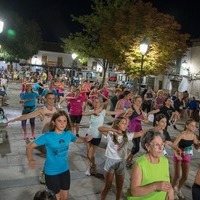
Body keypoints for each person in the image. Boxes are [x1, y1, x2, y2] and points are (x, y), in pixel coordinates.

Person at [27, 110, 92, 200]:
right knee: (56, 197)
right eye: (59, 121)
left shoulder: (68, 134)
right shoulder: (47, 136)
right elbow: (30, 146)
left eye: (64, 121)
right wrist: (30, 159)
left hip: (64, 170)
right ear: (54, 122)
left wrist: (85, 139)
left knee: (64, 197)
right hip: (51, 172)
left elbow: (77, 140)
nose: (62, 124)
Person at [98, 117, 144, 200]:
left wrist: (156, 128)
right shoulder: (111, 133)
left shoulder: (127, 135)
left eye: (126, 124)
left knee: (119, 187)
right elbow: (100, 128)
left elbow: (141, 133)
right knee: (107, 186)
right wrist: (113, 130)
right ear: (117, 124)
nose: (125, 125)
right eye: (123, 123)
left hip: (121, 162)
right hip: (110, 162)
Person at [82, 97, 126, 176]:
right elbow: (83, 113)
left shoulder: (103, 112)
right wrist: (93, 112)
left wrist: (124, 111)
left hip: (97, 136)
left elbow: (114, 112)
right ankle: (92, 166)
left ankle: (91, 167)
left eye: (98, 102)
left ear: (100, 104)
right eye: (94, 102)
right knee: (88, 154)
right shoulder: (91, 112)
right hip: (88, 134)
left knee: (90, 155)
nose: (96, 103)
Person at [126, 130, 174, 200]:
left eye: (162, 144)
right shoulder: (140, 164)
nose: (161, 148)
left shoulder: (165, 161)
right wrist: (155, 186)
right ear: (147, 146)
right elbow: (134, 191)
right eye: (156, 145)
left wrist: (170, 190)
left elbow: (166, 181)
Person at [172, 119, 200, 199]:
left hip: (187, 154)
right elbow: (174, 145)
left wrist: (198, 144)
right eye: (192, 125)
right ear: (187, 126)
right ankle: (172, 190)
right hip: (179, 154)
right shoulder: (182, 134)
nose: (194, 127)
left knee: (185, 176)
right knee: (177, 175)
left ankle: (178, 189)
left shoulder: (194, 136)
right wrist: (176, 154)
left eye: (195, 126)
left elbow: (196, 145)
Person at [126, 95, 148, 167]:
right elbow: (124, 119)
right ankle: (128, 159)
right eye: (138, 101)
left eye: (141, 101)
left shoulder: (141, 110)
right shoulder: (131, 110)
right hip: (132, 130)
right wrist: (127, 123)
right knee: (137, 147)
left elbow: (146, 120)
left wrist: (144, 120)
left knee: (136, 146)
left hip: (139, 129)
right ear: (134, 101)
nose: (140, 102)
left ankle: (129, 159)